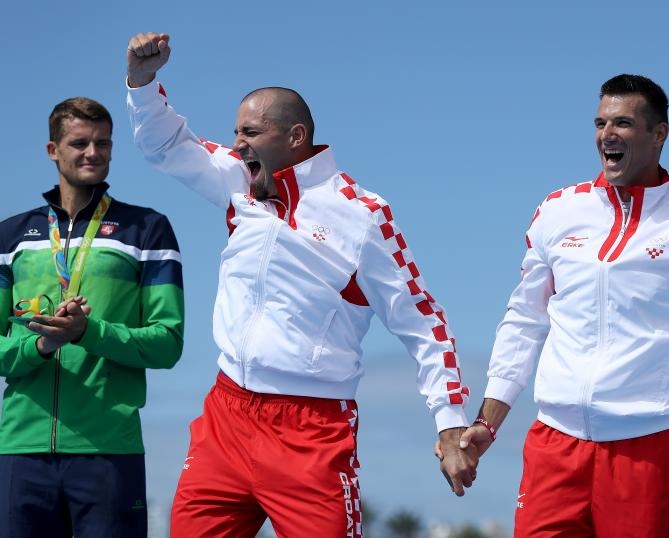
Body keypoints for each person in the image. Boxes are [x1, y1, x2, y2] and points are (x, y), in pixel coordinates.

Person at [126, 32, 476, 537]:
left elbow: (424, 322)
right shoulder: (238, 182)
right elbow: (167, 145)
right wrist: (143, 83)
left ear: (294, 137)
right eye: (235, 132)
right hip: (225, 416)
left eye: (250, 132)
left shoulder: (362, 215)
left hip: (310, 431)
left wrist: (449, 422)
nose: (237, 143)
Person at [458, 74, 669, 537]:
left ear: (659, 134)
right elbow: (524, 322)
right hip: (553, 445)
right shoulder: (557, 211)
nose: (607, 134)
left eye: (623, 123)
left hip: (646, 450)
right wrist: (489, 421)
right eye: (600, 122)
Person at [0, 97, 185, 537]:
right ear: (52, 150)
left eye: (103, 143)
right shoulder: (9, 237)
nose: (93, 153)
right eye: (80, 142)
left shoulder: (147, 230)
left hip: (108, 450)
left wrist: (89, 332)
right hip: (19, 449)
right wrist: (42, 345)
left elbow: (167, 342)